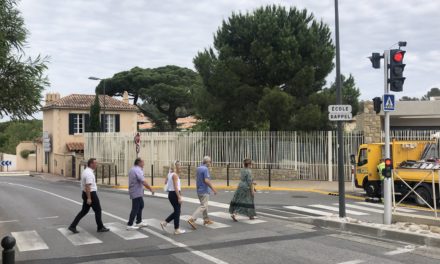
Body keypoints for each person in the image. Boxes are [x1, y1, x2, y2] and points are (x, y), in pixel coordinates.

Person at [69, 158, 110, 233]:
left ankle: (72, 226)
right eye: (95, 163)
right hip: (91, 194)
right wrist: (89, 198)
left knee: (84, 211)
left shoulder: (86, 171)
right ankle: (100, 227)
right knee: (98, 210)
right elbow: (88, 186)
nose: (96, 164)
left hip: (86, 193)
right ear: (91, 164)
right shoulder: (89, 173)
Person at [187, 156, 217, 229]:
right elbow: (206, 180)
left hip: (199, 190)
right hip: (204, 190)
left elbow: (197, 179)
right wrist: (213, 189)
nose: (210, 163)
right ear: (207, 162)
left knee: (204, 205)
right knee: (204, 206)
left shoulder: (199, 168)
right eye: (210, 162)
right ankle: (192, 219)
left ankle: (206, 220)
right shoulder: (205, 169)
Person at [126, 158, 155, 230]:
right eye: (143, 162)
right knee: (135, 208)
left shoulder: (133, 169)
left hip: (136, 191)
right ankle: (129, 225)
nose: (144, 164)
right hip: (136, 191)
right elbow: (143, 181)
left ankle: (139, 221)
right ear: (139, 162)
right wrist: (150, 188)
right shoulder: (137, 170)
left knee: (141, 205)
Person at [161, 161, 186, 235]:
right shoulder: (174, 175)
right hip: (174, 194)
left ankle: (165, 223)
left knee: (177, 211)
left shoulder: (170, 173)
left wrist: (180, 194)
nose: (180, 166)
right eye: (178, 165)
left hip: (171, 194)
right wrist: (179, 197)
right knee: (177, 212)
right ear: (175, 166)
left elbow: (165, 182)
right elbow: (176, 187)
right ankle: (176, 229)